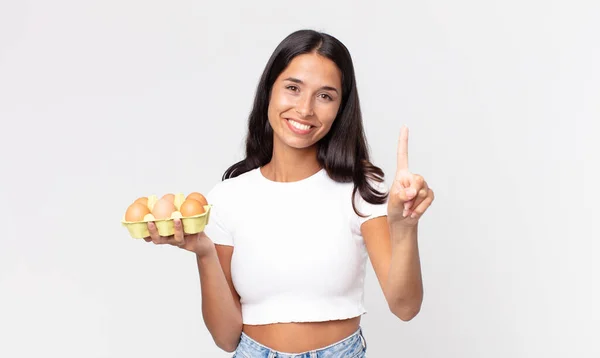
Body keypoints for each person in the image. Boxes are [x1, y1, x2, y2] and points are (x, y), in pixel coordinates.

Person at [144, 29, 435, 357]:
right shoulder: (228, 197)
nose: (306, 109)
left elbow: (405, 306)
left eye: (325, 96)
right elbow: (226, 339)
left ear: (341, 108)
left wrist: (406, 227)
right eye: (293, 88)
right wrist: (205, 252)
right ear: (270, 89)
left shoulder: (360, 190)